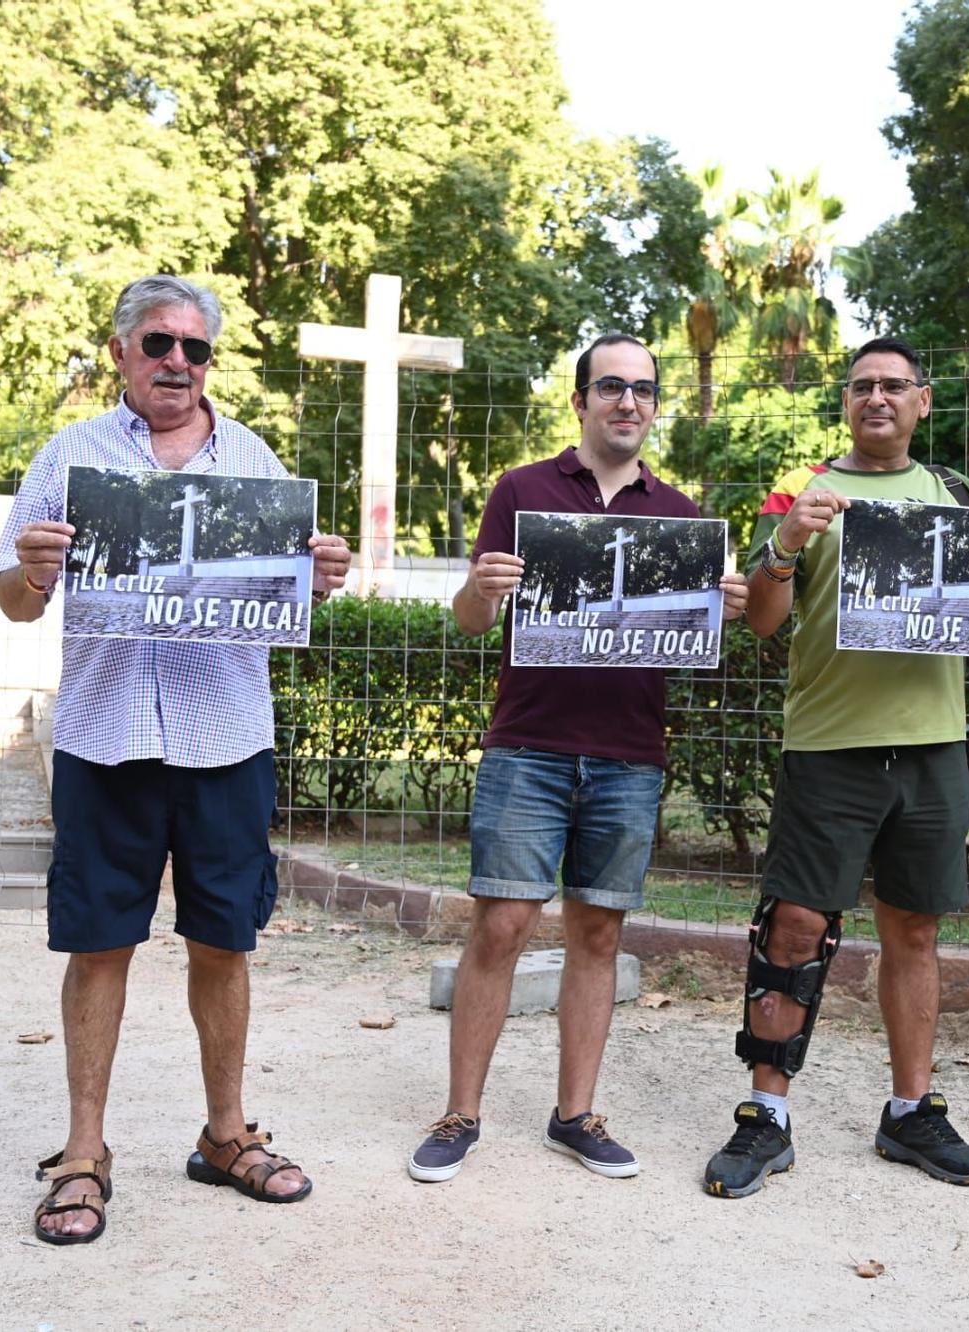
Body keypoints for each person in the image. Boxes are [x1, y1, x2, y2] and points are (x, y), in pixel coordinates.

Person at [0, 275, 351, 1243]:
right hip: (106, 733)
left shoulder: (254, 461)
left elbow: (281, 608)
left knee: (223, 940)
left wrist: (315, 578)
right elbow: (14, 600)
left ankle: (226, 1136)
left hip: (223, 734)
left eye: (196, 350)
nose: (178, 365)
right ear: (121, 351)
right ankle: (82, 1152)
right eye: (159, 344)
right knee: (99, 941)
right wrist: (30, 571)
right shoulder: (68, 456)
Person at [702, 336, 969, 1198]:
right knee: (795, 928)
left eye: (894, 386)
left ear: (924, 401)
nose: (877, 398)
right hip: (829, 744)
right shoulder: (801, 488)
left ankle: (911, 1112)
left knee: (915, 929)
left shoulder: (955, 495)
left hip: (932, 746)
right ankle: (768, 1116)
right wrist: (784, 544)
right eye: (862, 386)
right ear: (846, 402)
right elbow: (763, 621)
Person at [408, 333, 748, 1183]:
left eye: (642, 390)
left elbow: (692, 635)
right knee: (503, 926)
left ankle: (575, 1115)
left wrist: (728, 610)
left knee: (598, 932)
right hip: (530, 747)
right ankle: (460, 1114)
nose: (627, 403)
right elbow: (470, 621)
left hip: (630, 754)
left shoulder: (679, 513)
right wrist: (479, 590)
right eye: (610, 388)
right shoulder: (522, 491)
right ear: (581, 401)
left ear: (655, 405)